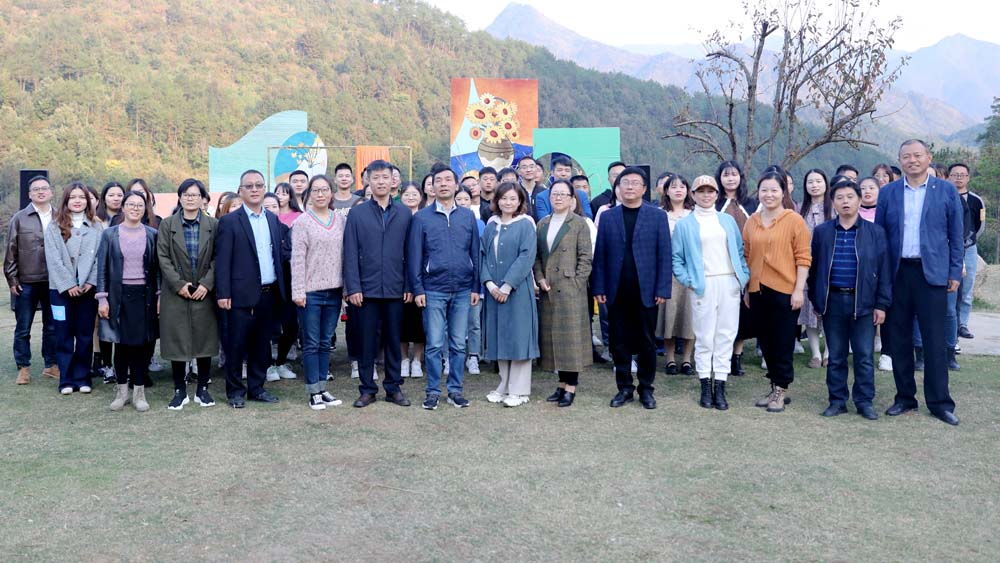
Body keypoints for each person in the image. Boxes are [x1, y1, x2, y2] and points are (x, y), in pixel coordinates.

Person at [876, 140, 964, 426]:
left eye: (917, 155)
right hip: (898, 273)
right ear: (900, 160)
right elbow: (879, 236)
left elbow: (956, 235)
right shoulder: (888, 192)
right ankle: (904, 397)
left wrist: (954, 272)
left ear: (928, 157)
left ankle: (940, 403)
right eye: (906, 156)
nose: (912, 160)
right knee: (899, 338)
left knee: (934, 340)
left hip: (933, 274)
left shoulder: (946, 190)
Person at [808, 178, 891, 420]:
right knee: (836, 356)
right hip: (832, 301)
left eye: (850, 197)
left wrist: (881, 304)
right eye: (840, 198)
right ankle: (837, 401)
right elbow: (814, 269)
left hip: (863, 303)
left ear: (859, 200)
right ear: (833, 202)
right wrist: (816, 299)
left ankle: (864, 402)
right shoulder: (823, 232)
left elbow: (884, 271)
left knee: (864, 356)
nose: (845, 201)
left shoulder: (875, 232)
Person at [593, 167, 671, 409]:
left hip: (647, 291)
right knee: (619, 342)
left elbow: (664, 255)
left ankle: (646, 389)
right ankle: (624, 388)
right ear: (618, 187)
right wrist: (599, 286)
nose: (629, 186)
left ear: (644, 189)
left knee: (647, 341)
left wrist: (662, 289)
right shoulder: (608, 217)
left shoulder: (657, 216)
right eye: (624, 182)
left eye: (635, 182)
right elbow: (600, 255)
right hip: (616, 290)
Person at [672, 175, 749, 410]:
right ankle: (705, 384)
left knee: (726, 334)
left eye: (710, 191)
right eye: (701, 191)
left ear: (717, 194)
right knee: (705, 336)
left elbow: (740, 250)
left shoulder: (727, 221)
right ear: (693, 194)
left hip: (729, 282)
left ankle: (721, 385)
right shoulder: (685, 224)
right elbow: (677, 258)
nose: (706, 195)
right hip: (702, 284)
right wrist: (688, 281)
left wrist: (742, 276)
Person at [407, 165, 481, 410]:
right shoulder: (421, 218)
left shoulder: (467, 216)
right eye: (438, 180)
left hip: (463, 289)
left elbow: (475, 253)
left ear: (456, 185)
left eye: (448, 180)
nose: (443, 184)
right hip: (433, 289)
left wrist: (475, 286)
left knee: (458, 344)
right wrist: (418, 289)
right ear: (432, 186)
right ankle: (432, 391)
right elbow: (415, 256)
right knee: (435, 344)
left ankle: (455, 390)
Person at [343, 160, 413, 408]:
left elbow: (410, 252)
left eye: (385, 177)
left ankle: (393, 388)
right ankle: (367, 389)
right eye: (376, 178)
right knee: (367, 342)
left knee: (394, 340)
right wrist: (353, 287)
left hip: (396, 288)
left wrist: (409, 285)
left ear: (393, 180)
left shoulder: (404, 213)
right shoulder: (357, 213)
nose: (381, 182)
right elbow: (350, 252)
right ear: (368, 181)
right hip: (366, 289)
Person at [215, 170, 286, 408]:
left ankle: (257, 388)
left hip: (269, 293)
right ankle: (235, 392)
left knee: (261, 345)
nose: (254, 190)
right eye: (249, 186)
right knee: (236, 345)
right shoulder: (229, 221)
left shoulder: (273, 219)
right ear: (241, 190)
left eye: (258, 185)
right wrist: (223, 293)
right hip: (239, 295)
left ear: (264, 188)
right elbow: (222, 260)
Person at [744, 172, 812, 413]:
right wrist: (747, 288)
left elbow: (803, 258)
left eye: (774, 190)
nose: (769, 194)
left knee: (783, 342)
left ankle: (781, 389)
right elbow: (747, 255)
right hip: (757, 290)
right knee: (766, 342)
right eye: (764, 190)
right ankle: (774, 386)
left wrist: (798, 290)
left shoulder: (794, 220)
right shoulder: (752, 221)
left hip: (785, 290)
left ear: (783, 192)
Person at [157, 179, 219, 410]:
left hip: (204, 291)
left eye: (195, 195)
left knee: (204, 340)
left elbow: (218, 257)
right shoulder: (167, 224)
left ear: (203, 199)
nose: (190, 198)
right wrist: (178, 284)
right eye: (186, 194)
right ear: (180, 197)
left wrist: (207, 284)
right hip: (176, 292)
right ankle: (179, 390)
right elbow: (162, 257)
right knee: (177, 340)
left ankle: (202, 389)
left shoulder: (213, 224)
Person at [96, 192, 160, 412]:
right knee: (121, 346)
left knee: (142, 347)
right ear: (123, 207)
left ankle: (139, 393)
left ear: (145, 209)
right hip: (118, 297)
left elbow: (157, 270)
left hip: (144, 297)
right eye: (131, 204)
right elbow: (102, 268)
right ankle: (122, 392)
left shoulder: (152, 234)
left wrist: (159, 295)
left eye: (140, 205)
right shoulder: (110, 234)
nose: (135, 208)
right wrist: (102, 298)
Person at [288, 175, 346, 410]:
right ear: (309, 194)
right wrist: (298, 291)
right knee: (311, 343)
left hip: (334, 291)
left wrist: (346, 289)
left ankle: (323, 388)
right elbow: (297, 259)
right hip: (310, 292)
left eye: (324, 190)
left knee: (325, 342)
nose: (320, 194)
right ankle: (313, 391)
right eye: (316, 190)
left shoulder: (340, 220)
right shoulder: (302, 222)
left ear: (331, 193)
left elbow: (346, 256)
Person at [479, 183, 539, 407]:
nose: (508, 202)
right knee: (500, 337)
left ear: (520, 201)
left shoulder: (526, 224)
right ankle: (504, 385)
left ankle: (519, 390)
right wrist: (489, 284)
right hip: (493, 292)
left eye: (513, 198)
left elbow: (526, 257)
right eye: (504, 198)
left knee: (519, 338)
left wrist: (506, 286)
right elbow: (482, 255)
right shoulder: (491, 224)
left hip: (517, 292)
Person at [534, 180, 593, 407]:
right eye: (554, 194)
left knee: (571, 339)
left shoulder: (579, 223)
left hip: (570, 289)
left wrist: (577, 282)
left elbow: (586, 258)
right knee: (554, 339)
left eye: (563, 194)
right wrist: (540, 278)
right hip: (548, 288)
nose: (558, 198)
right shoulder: (542, 223)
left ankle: (571, 387)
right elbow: (537, 256)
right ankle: (560, 384)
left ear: (571, 199)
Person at [44, 182, 102, 394]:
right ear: (66, 200)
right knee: (64, 335)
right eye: (73, 197)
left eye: (82, 197)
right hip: (60, 291)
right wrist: (68, 284)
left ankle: (83, 377)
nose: (78, 201)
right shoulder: (53, 226)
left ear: (88, 201)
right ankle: (66, 379)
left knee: (85, 335)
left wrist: (90, 282)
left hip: (87, 291)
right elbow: (53, 259)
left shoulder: (96, 226)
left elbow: (100, 258)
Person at [6, 175, 59, 385]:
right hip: (26, 281)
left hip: (54, 281)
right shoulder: (19, 218)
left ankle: (51, 365)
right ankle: (23, 367)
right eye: (36, 189)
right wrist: (12, 279)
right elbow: (11, 250)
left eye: (44, 188)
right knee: (23, 327)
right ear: (29, 194)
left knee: (52, 326)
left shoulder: (60, 216)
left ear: (51, 192)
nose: (40, 192)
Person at [714, 160, 758, 377]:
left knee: (742, 311)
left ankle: (736, 357)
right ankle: (720, 356)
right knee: (721, 312)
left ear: (740, 177)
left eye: (734, 174)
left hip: (746, 264)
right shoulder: (713, 203)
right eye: (726, 175)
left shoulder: (752, 204)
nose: (730, 178)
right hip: (719, 264)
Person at [657, 173, 695, 375]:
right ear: (666, 191)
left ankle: (687, 359)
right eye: (673, 186)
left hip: (691, 273)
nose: (678, 190)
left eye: (682, 186)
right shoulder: (659, 214)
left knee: (690, 317)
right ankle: (670, 358)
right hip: (667, 272)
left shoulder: (695, 214)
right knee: (669, 316)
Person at [261, 193, 298, 383]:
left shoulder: (285, 230)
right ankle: (267, 365)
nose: (271, 210)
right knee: (266, 329)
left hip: (287, 287)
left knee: (291, 327)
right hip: (265, 288)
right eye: (266, 206)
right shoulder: (257, 230)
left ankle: (281, 361)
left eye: (274, 206)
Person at [798, 169, 834, 368]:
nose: (814, 185)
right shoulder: (800, 210)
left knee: (829, 310)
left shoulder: (834, 207)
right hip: (806, 266)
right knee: (809, 312)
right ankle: (815, 354)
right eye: (810, 182)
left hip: (830, 266)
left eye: (818, 181)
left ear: (825, 184)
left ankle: (828, 352)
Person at [948, 163, 985, 340]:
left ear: (968, 178)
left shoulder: (977, 201)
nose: (959, 178)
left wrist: (967, 241)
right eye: (955, 174)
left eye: (962, 175)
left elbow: (980, 225)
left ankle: (962, 323)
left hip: (969, 248)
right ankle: (949, 322)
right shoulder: (945, 196)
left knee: (967, 287)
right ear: (949, 177)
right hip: (948, 248)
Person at [456, 187, 486, 375]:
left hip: (475, 282)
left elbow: (482, 254)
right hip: (455, 282)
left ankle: (473, 356)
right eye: (458, 199)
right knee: (451, 324)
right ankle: (450, 357)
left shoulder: (480, 223)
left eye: (465, 199)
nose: (462, 202)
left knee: (474, 322)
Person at [398, 182, 427, 378]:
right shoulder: (397, 217)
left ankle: (417, 360)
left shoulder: (425, 217)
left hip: (422, 278)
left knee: (419, 323)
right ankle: (403, 359)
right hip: (399, 278)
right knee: (401, 322)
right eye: (406, 194)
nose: (410, 197)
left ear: (421, 196)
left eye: (414, 194)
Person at [535, 155, 593, 220]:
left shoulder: (581, 195)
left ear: (571, 173)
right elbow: (543, 219)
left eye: (567, 170)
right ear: (552, 172)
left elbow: (588, 216)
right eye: (559, 170)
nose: (563, 174)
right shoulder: (542, 196)